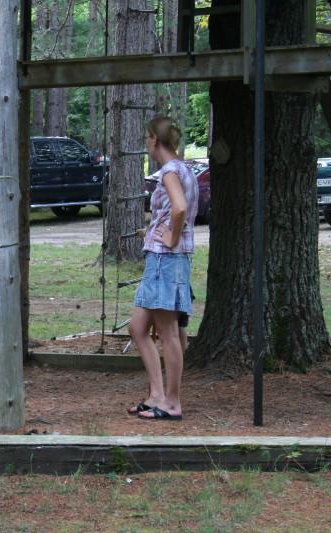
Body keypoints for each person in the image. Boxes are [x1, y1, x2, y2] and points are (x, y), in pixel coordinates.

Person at [127, 116, 198, 421]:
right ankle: (157, 395)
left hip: (165, 259)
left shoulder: (169, 171)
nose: (146, 143)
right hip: (163, 259)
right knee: (138, 328)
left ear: (155, 140)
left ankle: (172, 403)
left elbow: (180, 208)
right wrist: (155, 230)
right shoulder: (184, 169)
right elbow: (174, 211)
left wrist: (170, 237)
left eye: (147, 138)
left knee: (169, 333)